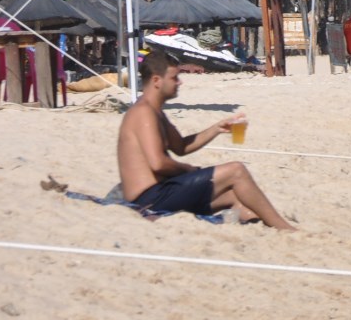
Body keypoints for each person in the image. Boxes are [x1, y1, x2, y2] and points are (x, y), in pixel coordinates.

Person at [116, 48, 294, 229]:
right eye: (174, 78)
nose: (180, 82)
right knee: (236, 170)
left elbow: (181, 147)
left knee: (242, 200)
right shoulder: (144, 113)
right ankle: (286, 229)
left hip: (164, 192)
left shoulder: (154, 111)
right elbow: (158, 164)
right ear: (156, 81)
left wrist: (217, 128)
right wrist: (189, 170)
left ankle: (236, 225)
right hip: (150, 199)